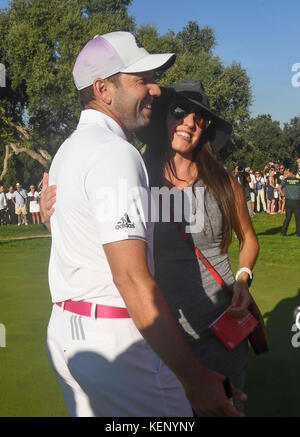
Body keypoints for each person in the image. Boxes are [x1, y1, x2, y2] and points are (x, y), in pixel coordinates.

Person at [40, 31, 246, 418]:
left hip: (68, 334)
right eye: (141, 80)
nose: (155, 89)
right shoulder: (115, 154)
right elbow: (132, 279)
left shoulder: (67, 151)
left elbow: (80, 241)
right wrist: (196, 378)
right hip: (117, 342)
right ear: (103, 89)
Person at [137, 80, 259, 412]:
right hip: (164, 336)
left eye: (200, 118)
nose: (190, 122)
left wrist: (244, 277)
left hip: (222, 330)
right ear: (163, 116)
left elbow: (248, 238)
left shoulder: (223, 182)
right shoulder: (138, 180)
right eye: (180, 112)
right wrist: (50, 216)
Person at [278, 165, 300, 236]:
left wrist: (283, 194)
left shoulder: (286, 180)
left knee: (288, 218)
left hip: (288, 201)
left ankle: (283, 232)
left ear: (290, 172)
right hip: (297, 201)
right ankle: (299, 233)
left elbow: (279, 187)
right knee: (298, 218)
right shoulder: (298, 181)